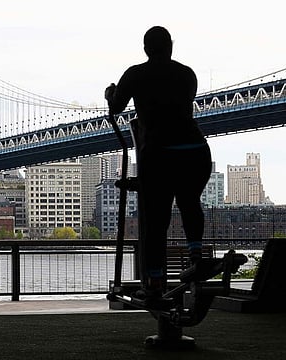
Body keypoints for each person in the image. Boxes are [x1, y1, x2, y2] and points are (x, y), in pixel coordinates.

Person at [105, 26, 212, 304]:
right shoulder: (188, 74)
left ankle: (153, 281)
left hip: (160, 154)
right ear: (171, 47)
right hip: (195, 149)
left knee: (156, 220)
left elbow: (116, 108)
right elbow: (175, 105)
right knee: (190, 202)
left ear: (145, 48)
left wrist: (110, 95)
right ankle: (197, 257)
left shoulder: (135, 74)